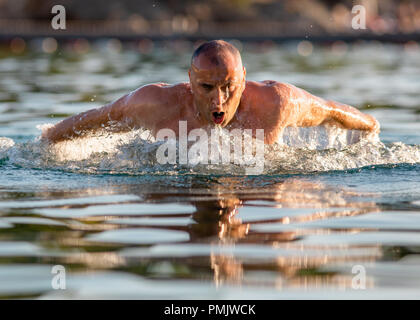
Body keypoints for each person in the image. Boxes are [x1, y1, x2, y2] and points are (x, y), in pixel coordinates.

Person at [42, 40, 379, 144]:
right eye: (206, 87)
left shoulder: (276, 103)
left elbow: (332, 111)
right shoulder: (155, 103)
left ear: (244, 80)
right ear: (190, 80)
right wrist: (47, 143)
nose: (219, 101)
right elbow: (97, 118)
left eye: (229, 88)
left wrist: (370, 127)